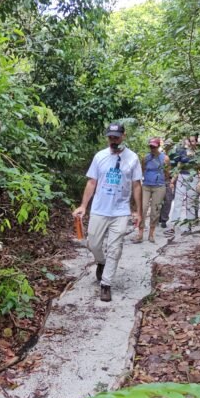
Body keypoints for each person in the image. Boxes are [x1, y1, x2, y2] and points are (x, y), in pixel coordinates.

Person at [72, 123, 143, 302]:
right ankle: (101, 262)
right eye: (111, 137)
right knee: (93, 244)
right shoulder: (100, 157)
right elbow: (91, 182)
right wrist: (83, 206)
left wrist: (138, 211)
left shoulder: (132, 158)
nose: (113, 141)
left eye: (116, 137)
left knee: (115, 248)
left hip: (120, 211)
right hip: (99, 209)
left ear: (123, 136)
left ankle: (106, 284)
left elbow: (136, 185)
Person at [134, 137, 168, 243]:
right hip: (146, 186)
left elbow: (167, 173)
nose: (152, 148)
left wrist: (160, 180)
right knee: (142, 209)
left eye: (154, 146)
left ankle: (151, 233)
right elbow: (143, 170)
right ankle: (140, 233)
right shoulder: (146, 158)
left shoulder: (165, 158)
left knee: (155, 210)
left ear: (158, 146)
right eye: (150, 146)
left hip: (159, 186)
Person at [167, 135, 200, 236]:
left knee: (190, 201)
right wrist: (173, 180)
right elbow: (179, 166)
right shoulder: (182, 152)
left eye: (193, 141)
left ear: (196, 142)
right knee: (177, 200)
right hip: (182, 176)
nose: (190, 143)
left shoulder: (198, 154)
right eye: (189, 141)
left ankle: (188, 226)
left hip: (193, 176)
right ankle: (173, 226)